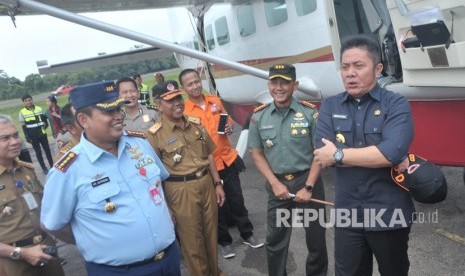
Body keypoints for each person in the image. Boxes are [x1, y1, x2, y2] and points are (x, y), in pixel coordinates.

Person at [40, 81, 181, 276]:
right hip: (118, 271)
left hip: (169, 260)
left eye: (118, 109)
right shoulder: (68, 170)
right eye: (109, 112)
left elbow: (159, 183)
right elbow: (52, 224)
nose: (118, 116)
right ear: (83, 119)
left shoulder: (139, 144)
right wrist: (90, 238)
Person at [313, 35, 415, 276]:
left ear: (378, 69)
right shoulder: (330, 106)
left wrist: (338, 155)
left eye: (359, 66)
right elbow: (321, 150)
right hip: (348, 214)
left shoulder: (396, 104)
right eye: (345, 67)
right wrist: (372, 154)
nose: (350, 73)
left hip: (389, 212)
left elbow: (391, 153)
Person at [247, 64, 328, 276]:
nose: (279, 87)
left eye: (285, 82)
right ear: (268, 84)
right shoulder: (259, 117)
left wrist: (309, 187)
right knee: (275, 241)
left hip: (307, 182)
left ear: (295, 85)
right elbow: (256, 153)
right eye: (274, 82)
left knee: (316, 240)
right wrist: (275, 183)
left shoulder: (310, 113)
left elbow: (319, 153)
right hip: (277, 186)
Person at [180, 68, 264, 259]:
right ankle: (224, 242)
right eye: (189, 84)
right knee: (217, 207)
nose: (194, 86)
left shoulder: (215, 102)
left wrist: (229, 126)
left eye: (196, 81)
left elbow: (228, 121)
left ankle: (247, 234)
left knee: (237, 200)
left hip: (227, 159)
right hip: (206, 166)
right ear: (183, 88)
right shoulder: (184, 112)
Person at [147, 80, 226, 276]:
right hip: (180, 190)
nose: (177, 103)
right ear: (158, 105)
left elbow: (209, 155)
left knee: (210, 235)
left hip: (206, 183)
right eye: (170, 100)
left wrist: (217, 184)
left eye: (178, 98)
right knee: (192, 242)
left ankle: (214, 272)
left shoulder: (195, 124)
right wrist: (165, 205)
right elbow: (153, 175)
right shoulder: (154, 135)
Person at [0, 114, 65, 276]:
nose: (15, 142)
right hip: (12, 262)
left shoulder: (27, 170)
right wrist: (21, 253)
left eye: (15, 135)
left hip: (46, 250)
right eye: (5, 138)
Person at [19, 94, 54, 174]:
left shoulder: (39, 109)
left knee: (47, 150)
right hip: (33, 136)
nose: (28, 102)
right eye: (26, 101)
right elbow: (23, 126)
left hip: (42, 134)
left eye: (29, 100)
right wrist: (27, 137)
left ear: (32, 100)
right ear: (23, 102)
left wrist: (45, 125)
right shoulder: (22, 112)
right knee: (38, 152)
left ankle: (52, 166)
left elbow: (44, 119)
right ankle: (44, 168)